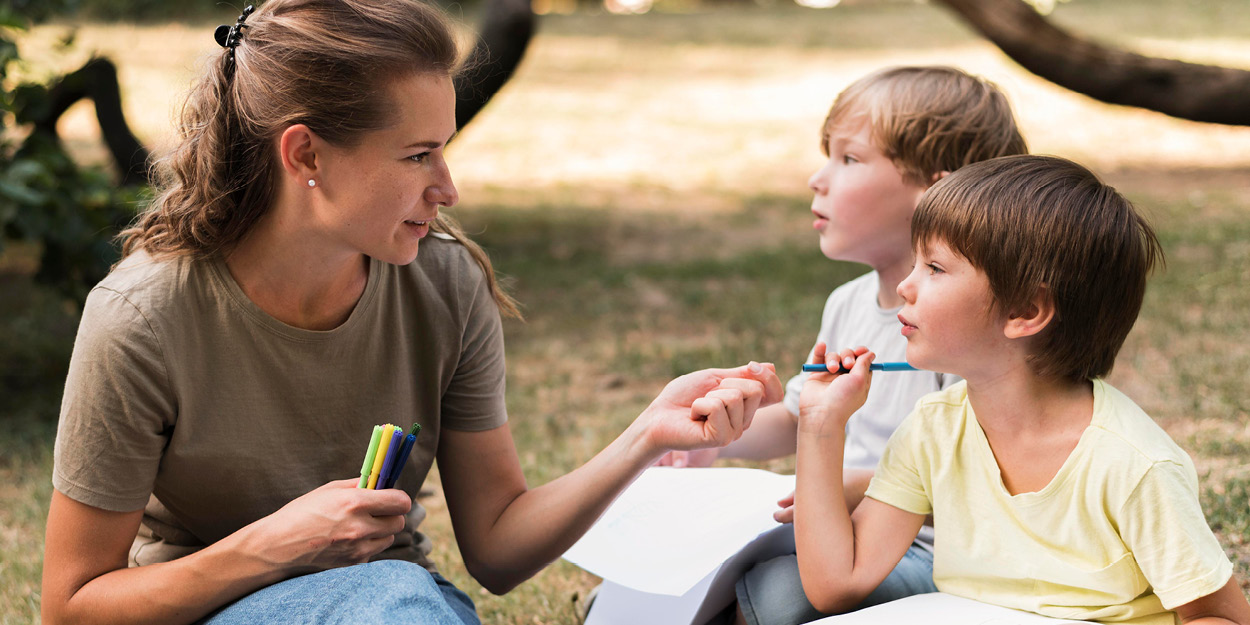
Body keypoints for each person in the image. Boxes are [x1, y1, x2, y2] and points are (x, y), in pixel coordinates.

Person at [39, 2, 783, 624]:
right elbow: (70, 605)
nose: (448, 188)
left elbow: (495, 547)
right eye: (417, 155)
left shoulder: (444, 283)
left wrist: (645, 435)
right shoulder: (143, 319)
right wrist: (276, 544)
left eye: (445, 150)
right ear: (306, 156)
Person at [793, 155, 1250, 625]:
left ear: (1025, 313)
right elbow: (836, 585)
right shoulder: (932, 430)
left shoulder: (1134, 465)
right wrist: (821, 423)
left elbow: (1224, 618)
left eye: (934, 267)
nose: (906, 286)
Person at [658, 66, 1027, 625]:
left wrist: (830, 489)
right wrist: (717, 440)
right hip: (830, 524)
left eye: (849, 159)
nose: (818, 178)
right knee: (693, 558)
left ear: (937, 190)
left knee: (781, 595)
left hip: (930, 549)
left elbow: (978, 473)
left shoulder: (969, 325)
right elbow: (794, 417)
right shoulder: (848, 303)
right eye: (827, 155)